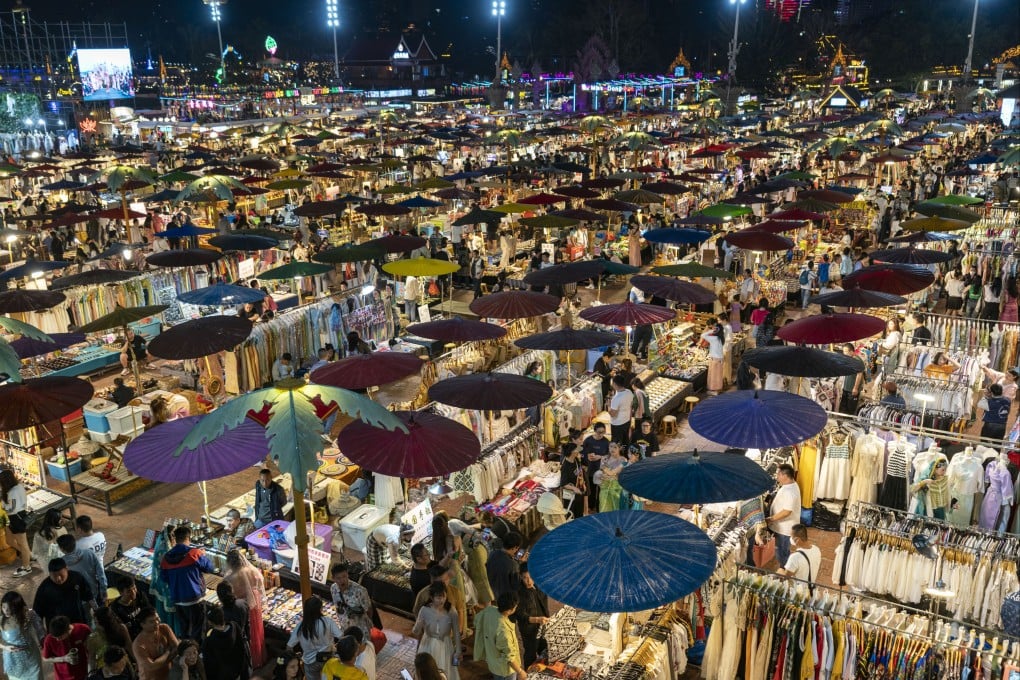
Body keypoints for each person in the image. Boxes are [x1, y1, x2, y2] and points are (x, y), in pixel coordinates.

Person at [159, 525, 214, 641]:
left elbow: (164, 578)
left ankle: (186, 649)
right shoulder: (194, 554)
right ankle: (197, 653)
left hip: (178, 600)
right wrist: (203, 555)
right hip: (195, 599)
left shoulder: (165, 558)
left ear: (175, 539)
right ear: (188, 538)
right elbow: (209, 568)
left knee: (185, 629)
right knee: (199, 630)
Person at [225, 548, 266, 667]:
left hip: (241, 605)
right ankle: (259, 654)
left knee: (247, 631)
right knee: (256, 629)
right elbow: (259, 583)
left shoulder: (230, 578)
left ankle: (251, 658)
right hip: (255, 601)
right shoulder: (251, 570)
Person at [411, 583, 461, 680]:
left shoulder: (451, 610)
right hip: (428, 644)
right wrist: (418, 624)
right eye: (438, 597)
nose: (442, 600)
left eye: (444, 596)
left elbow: (456, 632)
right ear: (431, 597)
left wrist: (458, 651)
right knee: (426, 670)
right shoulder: (424, 610)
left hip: (445, 645)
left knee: (444, 670)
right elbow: (416, 631)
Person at [287, 596, 342, 680]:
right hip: (328, 659)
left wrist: (294, 658)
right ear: (320, 609)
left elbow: (289, 647)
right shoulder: (328, 622)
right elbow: (341, 636)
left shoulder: (301, 626)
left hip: (309, 662)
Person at [474, 592, 526, 680]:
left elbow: (476, 621)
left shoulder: (489, 610)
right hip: (505, 670)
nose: (516, 608)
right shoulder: (504, 631)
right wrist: (520, 672)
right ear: (509, 611)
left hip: (493, 663)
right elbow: (509, 657)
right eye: (515, 607)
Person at [33, 558, 95, 628]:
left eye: (61, 575)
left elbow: (89, 596)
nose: (58, 579)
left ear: (66, 569)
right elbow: (36, 615)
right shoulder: (44, 589)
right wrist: (42, 635)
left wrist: (96, 610)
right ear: (49, 574)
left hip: (78, 622)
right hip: (58, 630)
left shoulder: (76, 578)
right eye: (54, 576)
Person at [1, 590, 45, 680]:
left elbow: (40, 629)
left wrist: (42, 641)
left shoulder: (28, 614)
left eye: (9, 607)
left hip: (31, 657)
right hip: (13, 660)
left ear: (17, 607)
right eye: (3, 606)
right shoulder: (1, 620)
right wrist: (5, 647)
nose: (6, 610)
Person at [513, 564, 549, 668]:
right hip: (529, 631)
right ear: (521, 577)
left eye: (530, 577)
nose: (528, 581)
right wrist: (537, 619)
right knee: (530, 654)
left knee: (544, 650)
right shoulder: (519, 593)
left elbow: (544, 605)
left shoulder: (539, 586)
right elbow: (520, 616)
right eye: (525, 578)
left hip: (542, 626)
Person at [766, 464, 801, 570]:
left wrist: (771, 519)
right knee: (782, 550)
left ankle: (784, 572)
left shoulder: (790, 492)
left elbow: (787, 511)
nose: (777, 476)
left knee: (782, 552)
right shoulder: (790, 485)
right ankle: (784, 569)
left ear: (785, 475)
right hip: (782, 526)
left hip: (784, 529)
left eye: (778, 474)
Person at [1, 467, 33, 577]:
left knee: (22, 544)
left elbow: (12, 509)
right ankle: (29, 555)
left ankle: (26, 567)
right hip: (17, 516)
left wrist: (3, 506)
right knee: (9, 540)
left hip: (16, 518)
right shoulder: (19, 486)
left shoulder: (13, 492)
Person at [132, 608, 179, 680]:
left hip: (168, 675)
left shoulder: (164, 628)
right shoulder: (138, 644)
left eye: (157, 618)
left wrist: (158, 662)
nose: (157, 622)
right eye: (152, 621)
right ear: (142, 624)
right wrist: (168, 652)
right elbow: (151, 667)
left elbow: (177, 648)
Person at [330, 563, 374, 639]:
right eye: (338, 578)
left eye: (344, 576)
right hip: (345, 628)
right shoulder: (333, 589)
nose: (342, 580)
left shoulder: (360, 591)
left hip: (361, 630)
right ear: (333, 578)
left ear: (347, 574)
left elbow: (369, 610)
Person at [202, 606, 247, 680]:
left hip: (223, 676)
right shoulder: (234, 626)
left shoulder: (209, 640)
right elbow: (241, 647)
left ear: (209, 622)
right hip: (238, 670)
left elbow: (209, 664)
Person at [42, 616, 90, 680]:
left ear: (68, 629)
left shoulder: (83, 629)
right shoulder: (49, 639)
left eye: (60, 637)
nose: (57, 640)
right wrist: (63, 659)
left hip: (83, 672)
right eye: (55, 637)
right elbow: (45, 658)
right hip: (62, 677)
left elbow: (91, 649)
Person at [85, 607, 132, 673]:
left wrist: (139, 662)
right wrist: (92, 673)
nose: (96, 626)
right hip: (107, 672)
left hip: (124, 666)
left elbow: (129, 646)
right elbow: (92, 658)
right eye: (95, 622)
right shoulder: (92, 638)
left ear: (106, 623)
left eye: (97, 623)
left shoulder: (121, 628)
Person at [581, 422, 610, 512]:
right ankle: (590, 506)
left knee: (601, 490)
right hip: (590, 469)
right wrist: (588, 456)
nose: (601, 434)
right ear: (594, 431)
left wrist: (600, 457)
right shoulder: (588, 441)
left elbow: (609, 455)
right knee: (591, 490)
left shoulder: (606, 442)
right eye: (599, 432)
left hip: (601, 470)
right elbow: (582, 453)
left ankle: (599, 507)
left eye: (603, 432)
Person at [485, 532, 522, 603]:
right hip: (506, 599)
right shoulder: (513, 565)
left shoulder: (492, 554)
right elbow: (516, 586)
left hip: (492, 595)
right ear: (515, 548)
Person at [558, 443, 586, 519]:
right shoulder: (565, 466)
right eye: (577, 450)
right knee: (571, 515)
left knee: (579, 514)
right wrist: (575, 489)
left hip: (579, 493)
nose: (578, 452)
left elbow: (579, 473)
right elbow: (563, 484)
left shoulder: (576, 460)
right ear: (572, 452)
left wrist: (582, 484)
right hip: (571, 496)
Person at [701, 322, 726, 394]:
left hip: (714, 359)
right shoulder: (721, 337)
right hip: (720, 358)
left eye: (714, 328)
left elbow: (703, 335)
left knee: (713, 375)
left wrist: (711, 331)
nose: (712, 328)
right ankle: (718, 389)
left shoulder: (714, 338)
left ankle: (713, 390)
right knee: (718, 375)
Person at [608, 375, 634, 445]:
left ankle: (617, 455)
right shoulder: (629, 392)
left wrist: (609, 406)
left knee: (616, 443)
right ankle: (625, 454)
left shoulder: (616, 399)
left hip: (617, 424)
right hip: (626, 420)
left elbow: (613, 414)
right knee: (625, 440)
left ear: (614, 384)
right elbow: (631, 405)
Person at [839, 344, 864, 415]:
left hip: (852, 388)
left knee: (851, 407)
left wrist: (855, 388)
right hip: (846, 387)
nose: (844, 353)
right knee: (844, 405)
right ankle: (844, 421)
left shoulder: (857, 360)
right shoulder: (849, 359)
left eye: (845, 351)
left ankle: (849, 421)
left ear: (851, 351)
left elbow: (859, 375)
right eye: (843, 351)